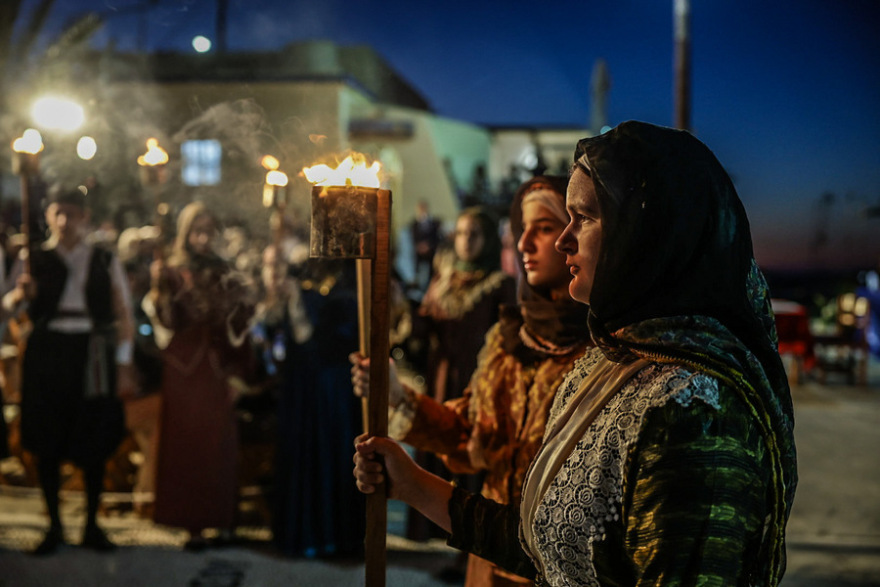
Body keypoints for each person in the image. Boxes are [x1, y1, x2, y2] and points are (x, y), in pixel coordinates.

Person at [354, 121, 798, 586]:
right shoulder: (607, 364)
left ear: (644, 235)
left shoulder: (697, 410)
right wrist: (410, 481)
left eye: (581, 218)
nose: (561, 240)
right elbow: (548, 545)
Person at [352, 176, 592, 586]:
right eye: (522, 229)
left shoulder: (604, 351)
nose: (524, 243)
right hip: (490, 554)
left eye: (545, 227)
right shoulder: (510, 339)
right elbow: (471, 435)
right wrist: (396, 394)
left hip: (560, 566)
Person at [2, 184, 136, 555]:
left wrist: (123, 362)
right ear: (47, 217)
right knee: (47, 438)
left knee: (93, 437)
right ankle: (55, 527)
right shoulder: (34, 259)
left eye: (71, 214)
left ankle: (92, 524)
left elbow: (124, 312)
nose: (64, 221)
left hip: (91, 352)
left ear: (84, 217)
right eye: (57, 213)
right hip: (48, 352)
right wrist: (19, 295)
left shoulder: (104, 259)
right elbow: (6, 310)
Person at [149, 202, 256, 550]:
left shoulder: (225, 272)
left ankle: (221, 519)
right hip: (183, 371)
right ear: (185, 232)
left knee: (218, 447)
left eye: (209, 229)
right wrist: (159, 289)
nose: (203, 237)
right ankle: (191, 525)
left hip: (217, 370)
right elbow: (167, 322)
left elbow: (239, 325)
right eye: (197, 229)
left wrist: (239, 372)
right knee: (186, 447)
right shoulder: (173, 271)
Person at [408, 206, 516, 540]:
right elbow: (423, 330)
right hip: (442, 378)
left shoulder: (500, 285)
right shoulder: (443, 280)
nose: (466, 241)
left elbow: (507, 339)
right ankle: (433, 523)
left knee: (471, 450)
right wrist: (404, 310)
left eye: (474, 234)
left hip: (479, 382)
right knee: (438, 436)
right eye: (461, 233)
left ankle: (469, 532)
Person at [257, 245, 366, 558]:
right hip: (300, 388)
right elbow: (269, 335)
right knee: (301, 456)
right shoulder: (295, 283)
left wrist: (294, 301)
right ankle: (301, 534)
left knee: (327, 456)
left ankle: (335, 537)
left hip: (328, 388)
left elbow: (312, 339)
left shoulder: (343, 287)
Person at [410, 199, 443, 293]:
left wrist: (429, 246)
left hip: (432, 256)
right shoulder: (414, 225)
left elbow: (438, 238)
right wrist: (419, 247)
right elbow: (413, 240)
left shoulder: (435, 223)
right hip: (419, 257)